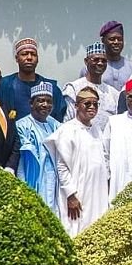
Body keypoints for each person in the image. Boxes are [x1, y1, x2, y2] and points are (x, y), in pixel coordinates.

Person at [45, 87, 109, 237]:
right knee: (76, 230)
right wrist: (70, 195)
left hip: (97, 190)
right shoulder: (67, 130)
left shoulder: (97, 129)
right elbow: (62, 166)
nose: (92, 107)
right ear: (76, 106)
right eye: (87, 104)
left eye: (95, 104)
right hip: (77, 191)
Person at [15, 82, 61, 215]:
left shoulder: (56, 125)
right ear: (31, 103)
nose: (45, 105)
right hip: (33, 177)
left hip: (54, 179)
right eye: (40, 101)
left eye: (48, 101)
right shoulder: (22, 125)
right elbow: (23, 161)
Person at [0, 38, 67, 121]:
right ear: (17, 58)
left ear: (37, 59)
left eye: (33, 54)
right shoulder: (4, 85)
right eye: (24, 54)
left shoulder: (51, 88)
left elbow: (59, 118)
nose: (29, 57)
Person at [63, 42, 120, 130]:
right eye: (96, 60)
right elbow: (67, 121)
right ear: (86, 61)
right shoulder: (73, 88)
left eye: (103, 61)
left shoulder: (114, 93)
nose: (100, 63)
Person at [79, 21, 132, 91]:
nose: (116, 42)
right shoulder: (90, 68)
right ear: (103, 41)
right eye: (112, 39)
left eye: (120, 39)